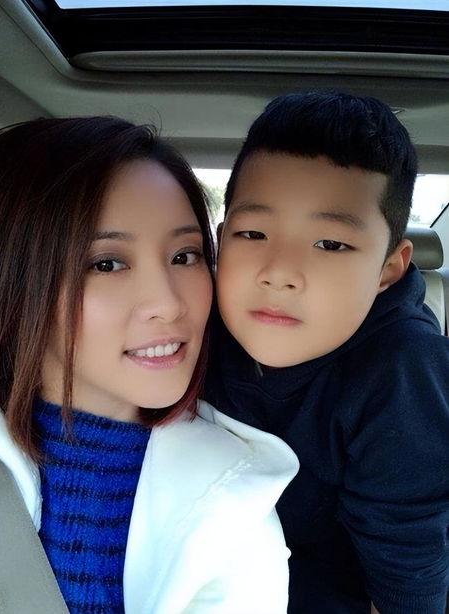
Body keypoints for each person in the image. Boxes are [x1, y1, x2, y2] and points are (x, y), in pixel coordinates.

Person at [0, 117, 299, 614]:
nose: (169, 304)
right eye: (107, 264)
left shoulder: (238, 505)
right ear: (10, 282)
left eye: (185, 256)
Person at [206, 92, 449, 613]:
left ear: (388, 268)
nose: (279, 273)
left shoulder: (403, 372)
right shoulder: (190, 326)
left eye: (331, 244)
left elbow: (406, 562)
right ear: (222, 242)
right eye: (253, 233)